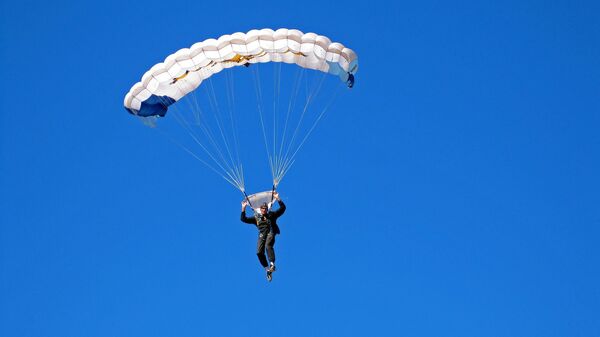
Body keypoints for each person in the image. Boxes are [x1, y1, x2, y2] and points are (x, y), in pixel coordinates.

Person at [241, 192, 286, 282]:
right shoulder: (256, 218)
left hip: (271, 232)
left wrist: (278, 198)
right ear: (260, 209)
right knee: (259, 252)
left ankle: (272, 264)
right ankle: (267, 269)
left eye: (265, 208)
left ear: (267, 209)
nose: (264, 210)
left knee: (268, 246)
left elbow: (282, 209)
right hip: (262, 235)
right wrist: (243, 208)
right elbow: (243, 219)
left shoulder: (272, 215)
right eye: (262, 208)